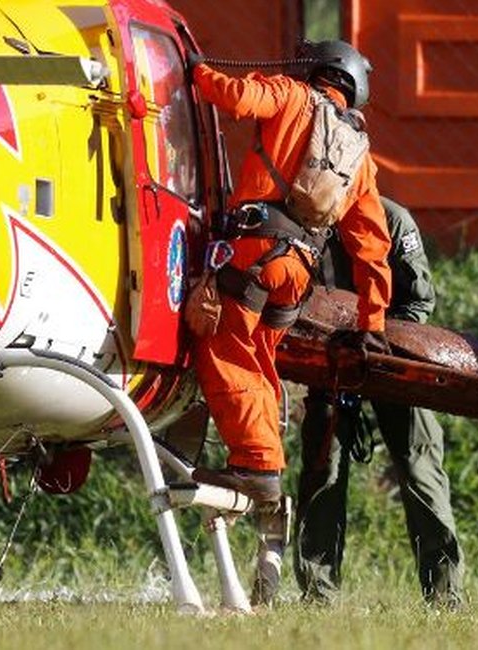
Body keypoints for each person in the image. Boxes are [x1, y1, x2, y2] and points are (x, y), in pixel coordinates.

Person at [186, 40, 393, 504]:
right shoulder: (359, 154)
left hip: (254, 253)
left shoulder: (290, 95)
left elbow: (236, 98)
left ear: (316, 69)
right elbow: (373, 245)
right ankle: (263, 462)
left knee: (225, 352)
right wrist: (372, 322)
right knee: (257, 360)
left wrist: (198, 71)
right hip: (296, 273)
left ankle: (257, 464)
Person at [294, 197, 464, 610]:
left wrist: (381, 347)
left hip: (395, 358)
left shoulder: (392, 220)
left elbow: (419, 303)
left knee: (420, 466)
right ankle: (318, 596)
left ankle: (444, 596)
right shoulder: (300, 218)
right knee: (322, 469)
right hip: (330, 358)